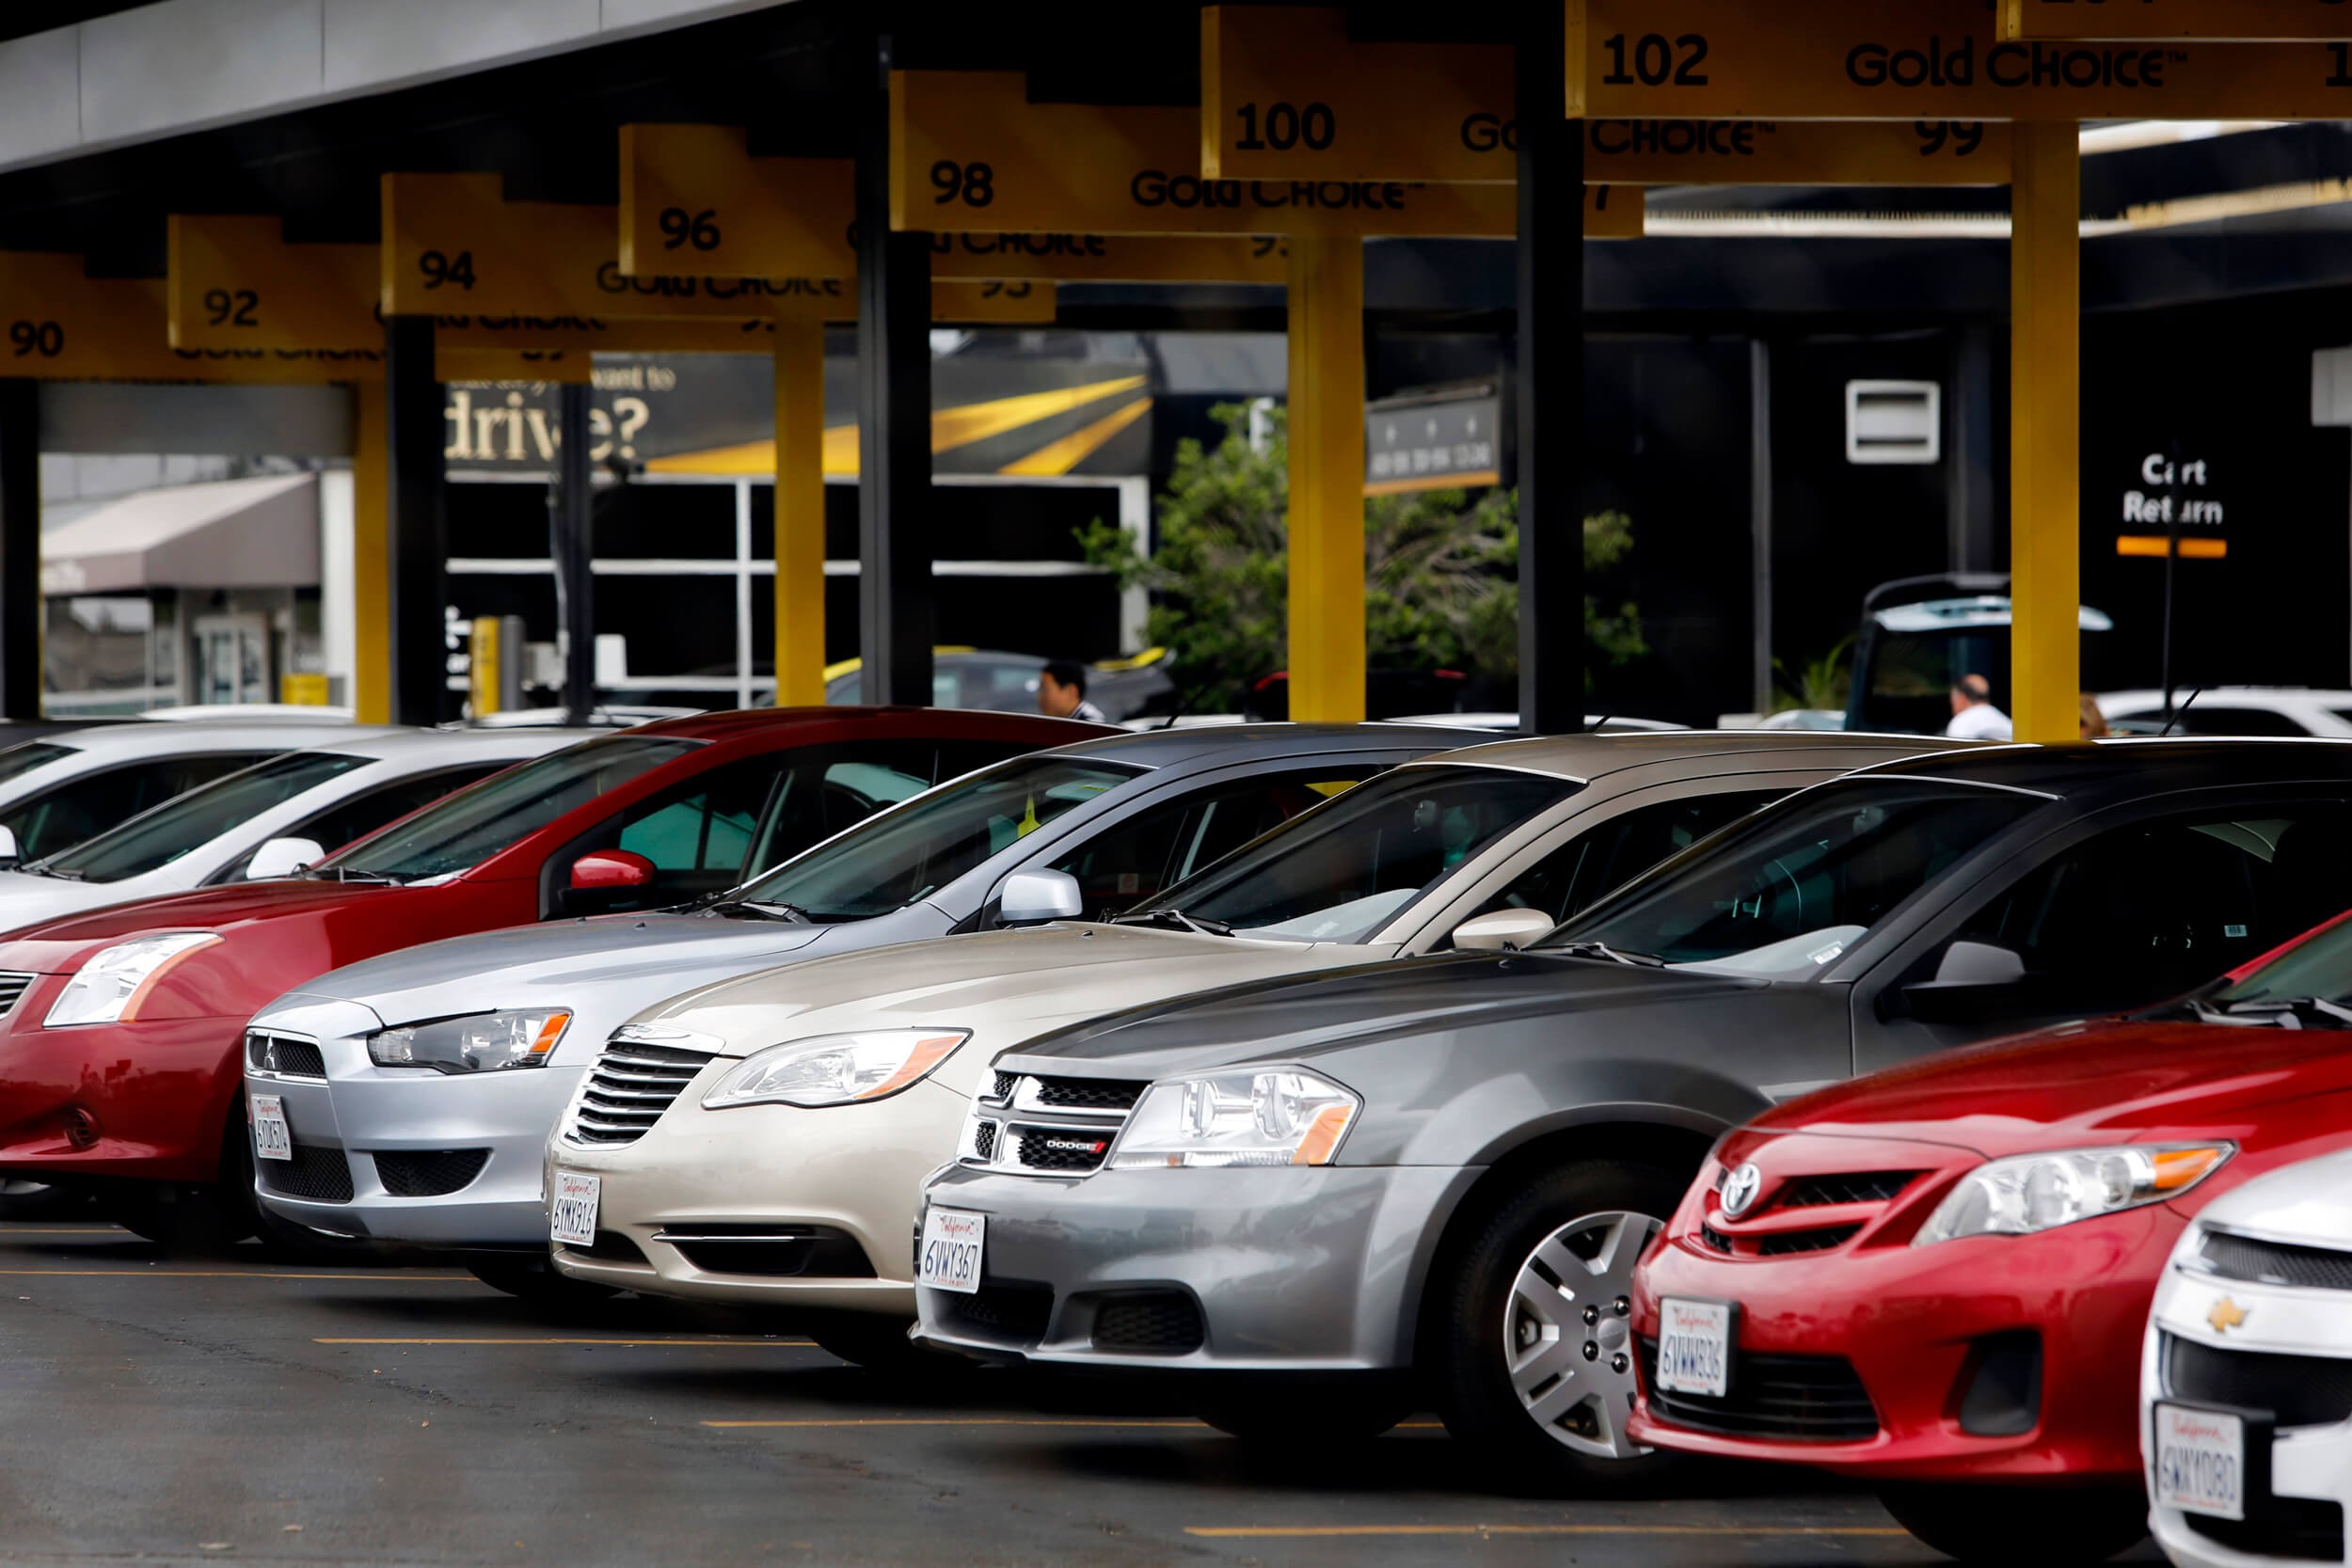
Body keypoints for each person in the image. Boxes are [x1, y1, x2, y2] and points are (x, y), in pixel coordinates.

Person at [1945, 673, 2013, 740]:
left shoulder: (1962, 722)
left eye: (1952, 700)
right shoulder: (2005, 721)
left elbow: (1957, 747)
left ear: (1962, 698)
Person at [1038, 659, 1108, 723]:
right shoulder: (1063, 721)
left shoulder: (1091, 724)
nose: (1040, 697)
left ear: (1071, 691)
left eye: (1045, 690)